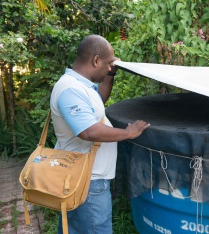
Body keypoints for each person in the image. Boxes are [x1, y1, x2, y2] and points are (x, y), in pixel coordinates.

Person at [50, 34, 150, 233]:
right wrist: (127, 133)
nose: (108, 68)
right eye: (107, 64)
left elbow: (97, 103)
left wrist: (110, 75)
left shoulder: (81, 86)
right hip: (87, 183)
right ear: (96, 60)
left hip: (85, 179)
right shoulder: (71, 89)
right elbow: (88, 130)